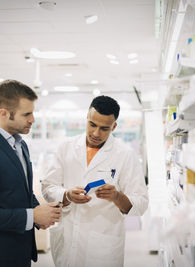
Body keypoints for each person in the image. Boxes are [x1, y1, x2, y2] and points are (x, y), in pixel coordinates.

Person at [0, 79, 61, 267]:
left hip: (20, 252)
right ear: (4, 113)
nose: (33, 119)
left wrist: (43, 213)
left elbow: (21, 192)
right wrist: (32, 216)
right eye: (27, 114)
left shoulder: (20, 144)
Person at [41, 95, 148, 267]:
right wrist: (66, 195)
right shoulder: (66, 147)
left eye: (104, 128)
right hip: (68, 237)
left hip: (103, 244)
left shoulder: (125, 155)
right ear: (86, 118)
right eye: (92, 125)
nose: (96, 133)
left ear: (114, 126)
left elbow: (141, 203)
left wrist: (117, 197)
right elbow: (47, 187)